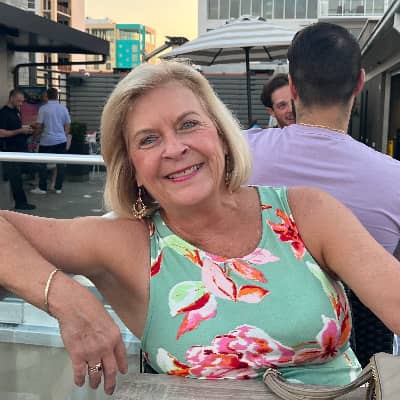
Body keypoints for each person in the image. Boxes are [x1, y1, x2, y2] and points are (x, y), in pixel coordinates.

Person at [1, 61, 400, 396]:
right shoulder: (126, 242)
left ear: (222, 136)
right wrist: (66, 298)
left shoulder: (304, 210)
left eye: (189, 124)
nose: (174, 149)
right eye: (148, 139)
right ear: (132, 168)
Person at [244, 22, 400, 364]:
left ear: (292, 86)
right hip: (362, 354)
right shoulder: (394, 177)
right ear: (359, 82)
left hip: (252, 343)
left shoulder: (240, 154)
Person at [30, 87, 71, 195]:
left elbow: (39, 126)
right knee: (60, 165)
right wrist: (63, 136)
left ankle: (42, 188)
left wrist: (34, 137)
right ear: (57, 96)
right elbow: (67, 125)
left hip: (46, 141)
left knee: (42, 164)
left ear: (47, 96)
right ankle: (58, 188)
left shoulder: (43, 109)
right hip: (61, 140)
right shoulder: (63, 109)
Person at [0, 89, 35, 210]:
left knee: (21, 174)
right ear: (11, 98)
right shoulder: (3, 113)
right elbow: (1, 133)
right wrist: (20, 130)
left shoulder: (16, 111)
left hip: (20, 148)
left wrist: (26, 131)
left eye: (22, 101)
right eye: (19, 101)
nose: (21, 103)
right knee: (15, 178)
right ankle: (21, 202)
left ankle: (20, 201)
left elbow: (15, 128)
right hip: (10, 150)